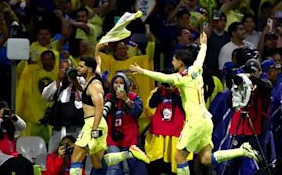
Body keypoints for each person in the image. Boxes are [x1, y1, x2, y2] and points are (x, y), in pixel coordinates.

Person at [130, 32, 260, 175]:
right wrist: (203, 44)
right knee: (206, 159)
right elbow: (201, 57)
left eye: (174, 60)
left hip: (195, 122)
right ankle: (241, 151)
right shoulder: (197, 69)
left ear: (180, 62)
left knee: (179, 156)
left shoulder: (182, 77)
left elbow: (163, 77)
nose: (172, 62)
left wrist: (142, 71)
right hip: (205, 121)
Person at [103, 72, 146, 175]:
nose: (118, 85)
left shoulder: (134, 97)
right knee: (113, 167)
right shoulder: (108, 97)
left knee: (127, 169)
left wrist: (126, 99)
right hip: (112, 139)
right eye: (115, 82)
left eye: (121, 83)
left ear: (126, 85)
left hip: (129, 139)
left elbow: (137, 112)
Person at [42, 59, 85, 153]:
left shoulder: (80, 80)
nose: (67, 72)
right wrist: (57, 81)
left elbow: (85, 96)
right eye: (63, 70)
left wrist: (75, 82)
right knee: (53, 152)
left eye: (68, 69)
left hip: (74, 125)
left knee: (74, 151)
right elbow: (45, 96)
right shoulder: (58, 83)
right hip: (58, 125)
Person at [0, 101, 33, 175]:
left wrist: (14, 117)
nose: (4, 113)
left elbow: (22, 127)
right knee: (19, 165)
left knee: (28, 164)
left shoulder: (9, 121)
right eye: (2, 111)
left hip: (10, 154)